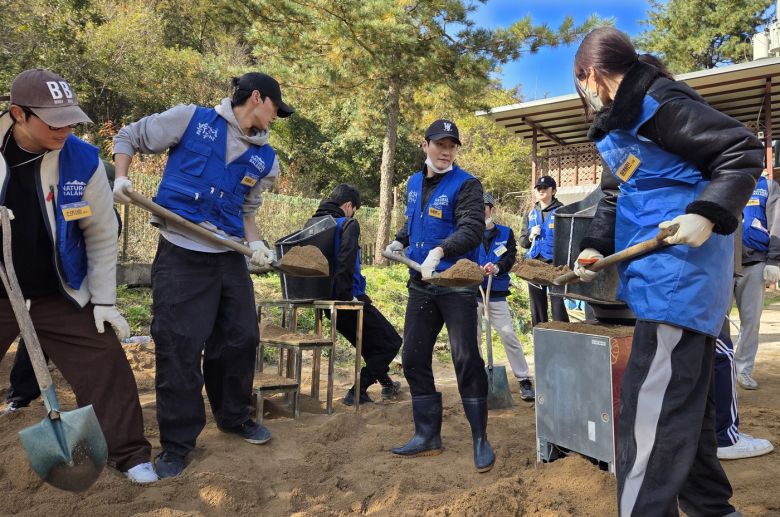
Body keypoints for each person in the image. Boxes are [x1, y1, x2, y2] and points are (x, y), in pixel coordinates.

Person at [572, 28, 762, 516]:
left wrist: (708, 211)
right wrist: (593, 246)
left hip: (682, 274)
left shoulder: (658, 102)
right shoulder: (620, 123)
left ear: (590, 74)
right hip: (660, 277)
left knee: (647, 419)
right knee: (686, 411)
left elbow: (740, 149)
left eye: (581, 82)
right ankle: (711, 510)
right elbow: (617, 195)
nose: (584, 94)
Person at [112, 72, 293, 478]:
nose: (276, 118)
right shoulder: (190, 120)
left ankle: (234, 416)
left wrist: (257, 245)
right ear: (258, 98)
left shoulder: (267, 160)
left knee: (241, 338)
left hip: (228, 255)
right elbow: (128, 136)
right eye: (275, 110)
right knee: (179, 345)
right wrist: (122, 177)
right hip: (181, 252)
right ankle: (177, 443)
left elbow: (247, 211)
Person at [0, 69, 156, 483]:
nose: (65, 128)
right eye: (54, 121)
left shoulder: (82, 160)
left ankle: (131, 456)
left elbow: (102, 235)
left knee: (105, 364)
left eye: (71, 119)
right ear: (18, 114)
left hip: (59, 291)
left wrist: (104, 300)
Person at [386, 119, 495, 473]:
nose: (446, 151)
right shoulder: (414, 183)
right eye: (439, 144)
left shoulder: (467, 185)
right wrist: (401, 239)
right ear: (425, 145)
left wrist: (440, 250)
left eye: (452, 146)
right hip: (421, 283)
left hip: (455, 285)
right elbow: (413, 220)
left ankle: (480, 437)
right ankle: (427, 434)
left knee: (465, 357)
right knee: (414, 355)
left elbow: (472, 229)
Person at [304, 184, 403, 405]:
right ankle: (357, 390)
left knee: (368, 345)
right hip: (347, 300)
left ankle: (387, 385)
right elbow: (346, 260)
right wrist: (348, 297)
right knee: (391, 343)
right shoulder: (347, 223)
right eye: (354, 209)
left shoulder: (312, 225)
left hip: (324, 304)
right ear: (349, 205)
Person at [477, 193, 534, 401]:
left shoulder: (506, 233)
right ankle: (477, 379)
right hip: (473, 293)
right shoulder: (467, 233)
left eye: (483, 207)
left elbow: (510, 257)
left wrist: (498, 267)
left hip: (496, 292)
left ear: (491, 209)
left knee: (508, 334)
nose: (480, 211)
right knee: (474, 339)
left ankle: (524, 379)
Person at [732, 173, 780, 390]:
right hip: (723, 263)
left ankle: (742, 369)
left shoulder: (767, 186)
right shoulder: (723, 178)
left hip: (755, 262)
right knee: (715, 320)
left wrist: (774, 260)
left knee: (751, 322)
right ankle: (718, 367)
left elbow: (777, 223)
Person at [714, 319, 774, 460]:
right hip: (685, 311)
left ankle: (711, 432)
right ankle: (725, 437)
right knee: (722, 354)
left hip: (662, 311)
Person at [518, 175, 569, 326]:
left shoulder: (563, 211)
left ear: (553, 191)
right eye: (538, 188)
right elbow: (522, 242)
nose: (541, 190)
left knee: (557, 305)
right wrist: (530, 236)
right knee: (537, 307)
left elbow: (568, 240)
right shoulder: (530, 214)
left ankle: (562, 336)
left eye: (545, 188)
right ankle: (539, 336)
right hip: (534, 264)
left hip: (555, 264)